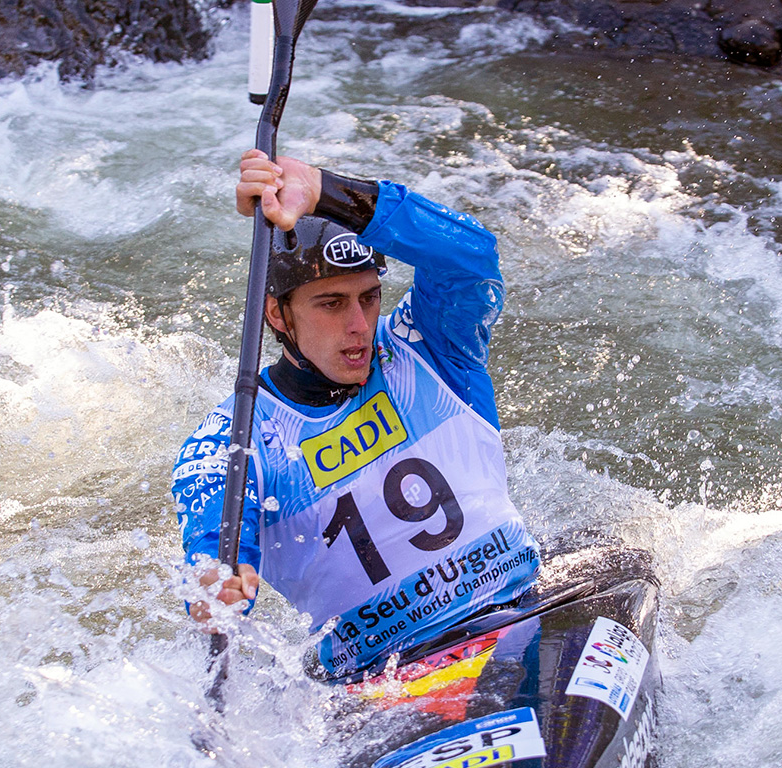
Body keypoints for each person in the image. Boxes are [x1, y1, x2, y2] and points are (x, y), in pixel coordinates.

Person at [172, 149, 541, 678]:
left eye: (368, 298)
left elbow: (471, 255)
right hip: (377, 676)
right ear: (277, 313)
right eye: (330, 303)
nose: (360, 325)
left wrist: (325, 190)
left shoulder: (430, 347)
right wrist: (218, 583)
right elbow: (215, 543)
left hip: (518, 610)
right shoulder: (234, 440)